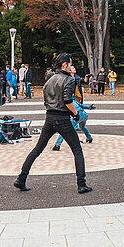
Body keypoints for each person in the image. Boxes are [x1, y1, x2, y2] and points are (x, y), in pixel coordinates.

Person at [14, 53, 90, 195]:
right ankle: (81, 183)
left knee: (37, 149)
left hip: (49, 117)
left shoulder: (49, 80)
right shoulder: (68, 79)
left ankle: (21, 178)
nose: (71, 66)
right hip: (62, 118)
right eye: (70, 64)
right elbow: (67, 101)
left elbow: (45, 100)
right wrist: (76, 113)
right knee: (77, 150)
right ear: (64, 65)